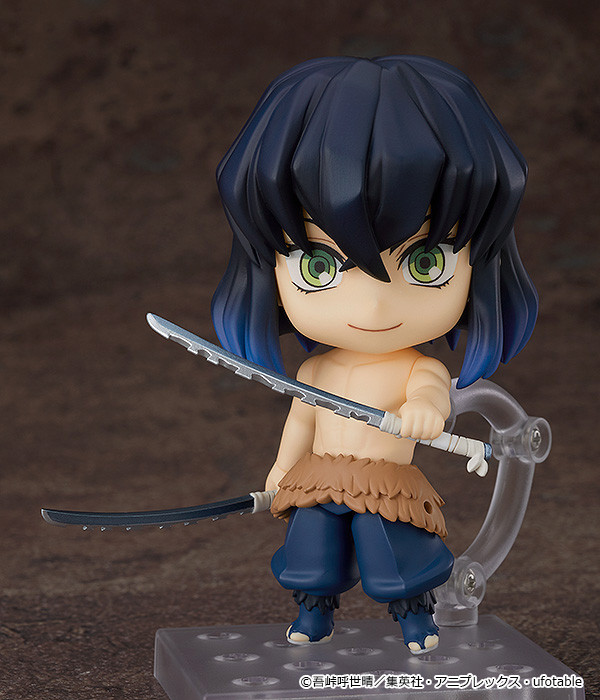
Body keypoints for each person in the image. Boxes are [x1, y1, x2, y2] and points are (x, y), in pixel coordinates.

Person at [211, 56, 538, 654]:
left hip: (384, 482)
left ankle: (416, 621)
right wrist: (281, 471)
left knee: (395, 555)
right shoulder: (316, 371)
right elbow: (301, 421)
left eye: (425, 262)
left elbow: (431, 393)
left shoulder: (417, 366)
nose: (374, 302)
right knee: (312, 553)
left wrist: (425, 410)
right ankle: (314, 615)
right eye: (319, 265)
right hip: (319, 476)